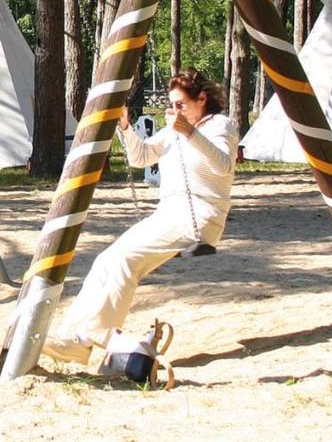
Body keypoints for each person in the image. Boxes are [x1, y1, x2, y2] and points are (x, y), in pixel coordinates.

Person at [43, 68, 239, 365]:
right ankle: (73, 336)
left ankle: (88, 339)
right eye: (171, 105)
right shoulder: (176, 128)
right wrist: (125, 126)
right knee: (106, 260)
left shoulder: (220, 126)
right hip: (169, 213)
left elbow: (224, 165)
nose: (175, 111)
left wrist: (191, 133)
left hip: (199, 216)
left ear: (202, 99)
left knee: (125, 261)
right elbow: (141, 157)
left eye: (181, 104)